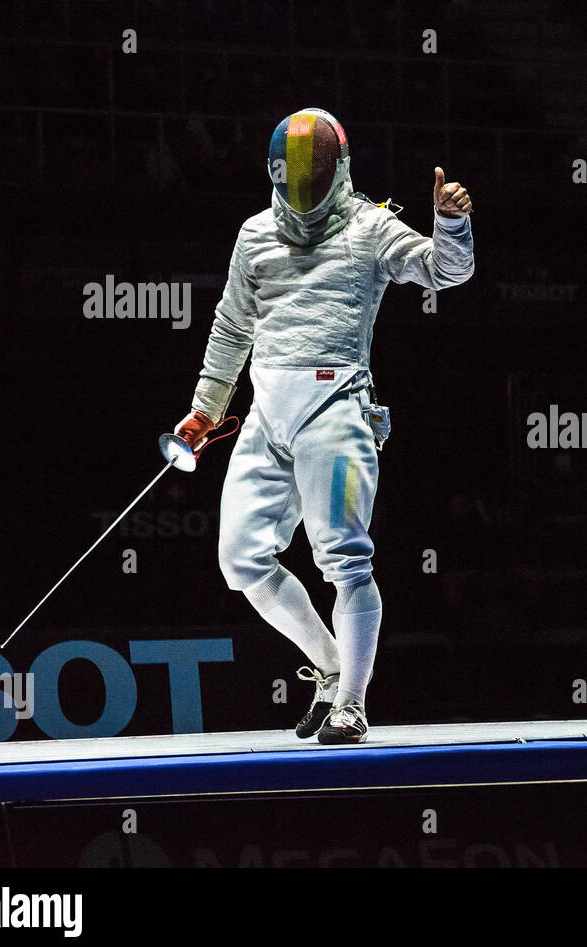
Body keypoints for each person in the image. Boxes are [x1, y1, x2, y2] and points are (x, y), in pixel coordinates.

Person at [171, 108, 474, 744]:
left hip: (335, 411)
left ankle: (353, 704)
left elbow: (444, 271)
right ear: (275, 174)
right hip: (265, 415)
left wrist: (451, 222)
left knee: (344, 560)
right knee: (242, 560)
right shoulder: (254, 235)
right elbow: (231, 326)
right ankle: (333, 668)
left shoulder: (371, 226)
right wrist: (207, 408)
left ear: (339, 170)